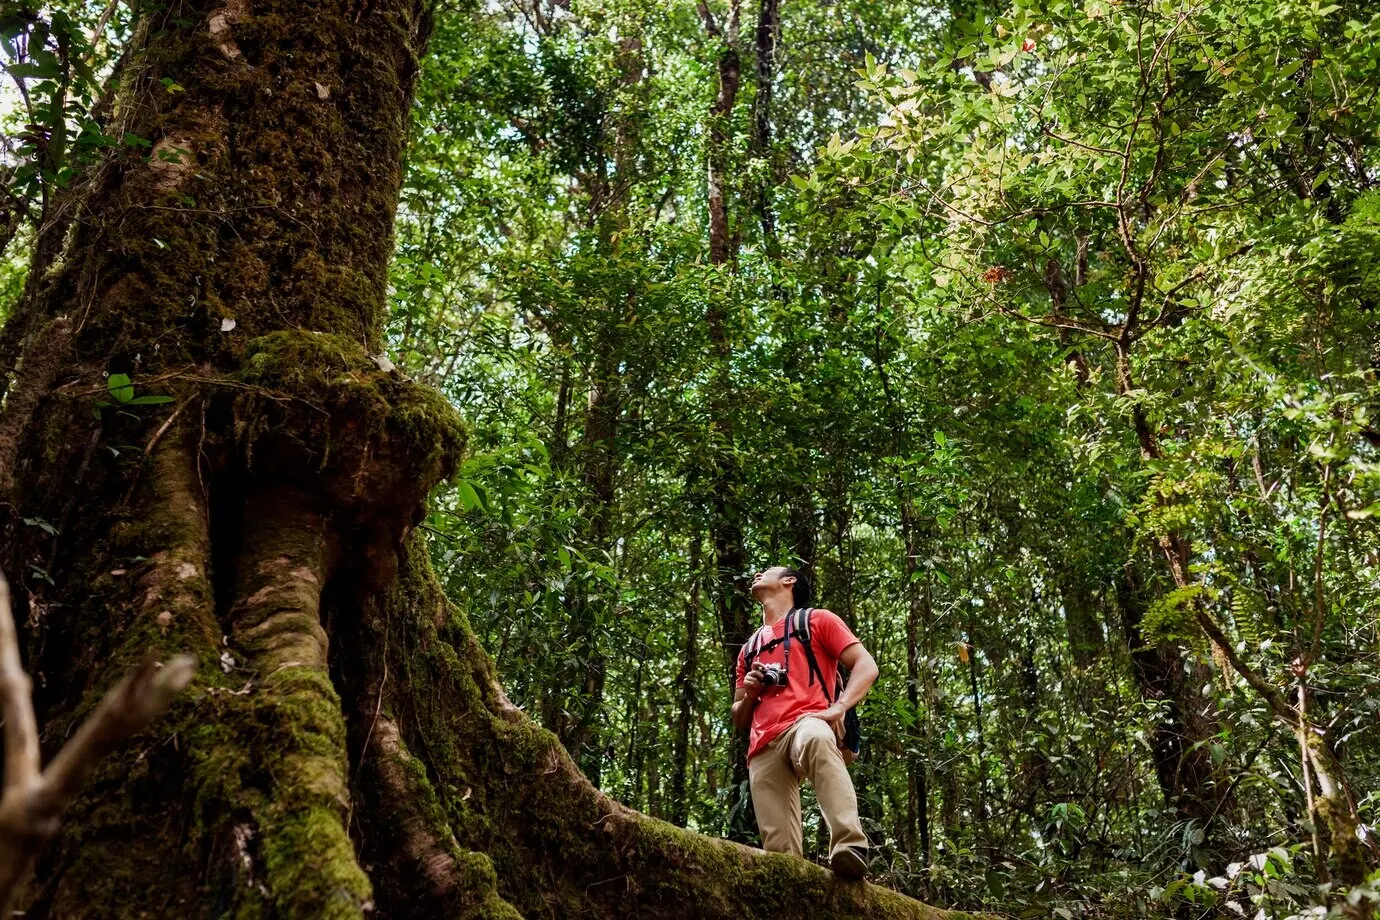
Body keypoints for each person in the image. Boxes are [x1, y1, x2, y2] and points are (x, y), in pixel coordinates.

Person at [732, 565, 879, 881]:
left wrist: (838, 708)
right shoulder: (749, 648)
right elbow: (739, 717)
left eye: (767, 571)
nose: (757, 574)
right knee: (780, 861)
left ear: (789, 581)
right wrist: (752, 693)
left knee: (815, 737)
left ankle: (849, 846)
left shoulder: (816, 621)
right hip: (762, 745)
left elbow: (866, 665)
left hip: (806, 721)